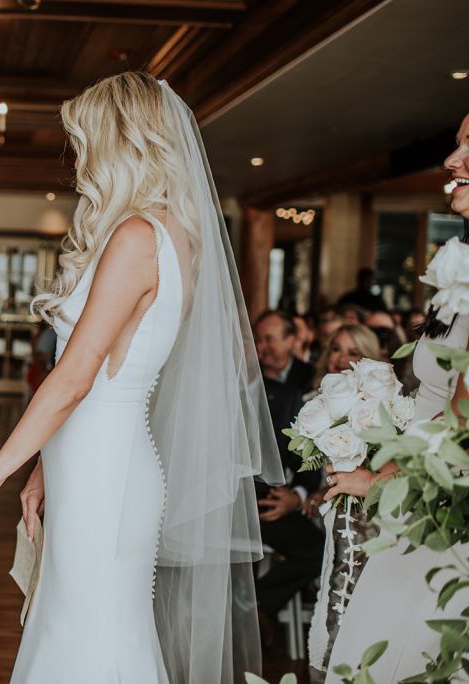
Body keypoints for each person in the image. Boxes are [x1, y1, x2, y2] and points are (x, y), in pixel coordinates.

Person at [0, 72, 283, 683]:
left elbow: (77, 377)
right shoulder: (171, 234)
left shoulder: (136, 238)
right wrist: (43, 467)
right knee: (83, 627)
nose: (77, 157)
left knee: (89, 638)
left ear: (119, 141)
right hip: (99, 461)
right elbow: (110, 371)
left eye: (84, 140)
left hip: (106, 474)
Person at [325, 112, 469, 682]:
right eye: (456, 145)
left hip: (445, 513)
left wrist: (380, 481)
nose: (452, 161)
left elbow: (464, 417)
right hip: (429, 502)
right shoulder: (461, 267)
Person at [292, 324, 382, 681]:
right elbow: (304, 470)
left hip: (362, 512)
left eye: (353, 352)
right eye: (336, 349)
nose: (342, 359)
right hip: (323, 506)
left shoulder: (382, 410)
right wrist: (310, 492)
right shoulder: (311, 407)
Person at [254, 374, 323, 646]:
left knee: (317, 549)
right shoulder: (200, 388)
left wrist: (295, 497)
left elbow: (303, 462)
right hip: (207, 508)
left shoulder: (284, 395)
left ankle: (256, 603)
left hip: (265, 506)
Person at [255, 309, 315, 393]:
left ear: (290, 341)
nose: (259, 346)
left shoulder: (310, 376)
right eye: (257, 340)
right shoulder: (248, 374)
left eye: (269, 339)